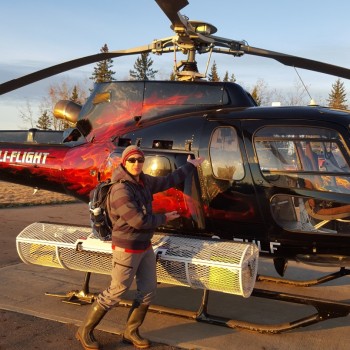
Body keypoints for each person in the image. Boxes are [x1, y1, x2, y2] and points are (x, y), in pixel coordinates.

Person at [76, 145, 204, 350]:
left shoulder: (143, 181)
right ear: (124, 163)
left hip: (144, 246)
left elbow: (167, 181)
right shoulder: (120, 189)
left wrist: (190, 166)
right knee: (117, 291)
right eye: (132, 160)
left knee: (148, 290)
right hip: (127, 248)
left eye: (140, 160)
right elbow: (137, 220)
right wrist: (164, 218)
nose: (137, 164)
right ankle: (85, 330)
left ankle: (131, 331)